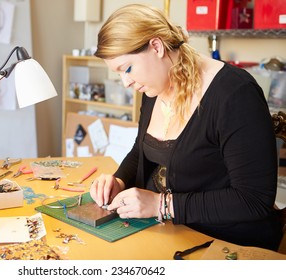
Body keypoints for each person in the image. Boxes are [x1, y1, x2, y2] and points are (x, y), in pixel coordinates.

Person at [89, 4, 283, 251]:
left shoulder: (235, 94)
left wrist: (162, 205)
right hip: (169, 230)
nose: (125, 82)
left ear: (156, 47)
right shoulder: (155, 87)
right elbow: (141, 150)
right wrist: (119, 180)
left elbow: (253, 199)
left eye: (127, 69)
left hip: (226, 244)